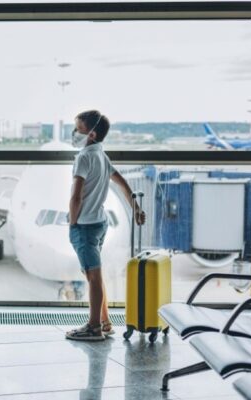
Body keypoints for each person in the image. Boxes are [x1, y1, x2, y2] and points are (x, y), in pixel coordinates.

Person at [66, 110, 146, 341]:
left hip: (86, 225)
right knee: (95, 275)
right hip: (100, 223)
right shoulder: (101, 155)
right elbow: (121, 181)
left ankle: (93, 327)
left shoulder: (84, 157)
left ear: (91, 134)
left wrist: (73, 222)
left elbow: (76, 196)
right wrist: (136, 207)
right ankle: (104, 321)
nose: (74, 133)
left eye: (78, 129)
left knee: (92, 277)